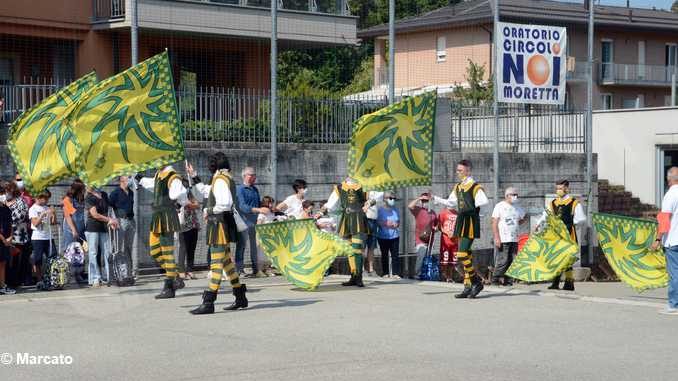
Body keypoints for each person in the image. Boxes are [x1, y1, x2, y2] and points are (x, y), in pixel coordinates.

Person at [187, 153, 248, 314]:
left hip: (218, 225)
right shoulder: (224, 178)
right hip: (221, 224)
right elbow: (205, 191)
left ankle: (209, 302)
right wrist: (193, 176)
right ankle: (240, 297)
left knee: (216, 265)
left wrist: (208, 210)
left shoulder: (220, 180)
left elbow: (225, 204)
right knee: (227, 264)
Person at [433, 159, 489, 299]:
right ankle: (467, 286)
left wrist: (474, 210)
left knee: (462, 254)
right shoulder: (458, 187)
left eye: (460, 170)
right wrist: (435, 198)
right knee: (467, 255)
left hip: (470, 220)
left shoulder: (475, 186)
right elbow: (451, 202)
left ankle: (476, 281)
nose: (458, 173)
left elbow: (484, 202)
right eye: (457, 170)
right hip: (461, 220)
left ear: (468, 171)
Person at [136, 165, 189, 299]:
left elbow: (180, 195)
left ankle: (169, 287)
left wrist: (178, 200)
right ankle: (175, 276)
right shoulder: (159, 175)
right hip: (158, 215)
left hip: (167, 216)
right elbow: (152, 185)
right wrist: (138, 177)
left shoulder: (173, 176)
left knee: (167, 253)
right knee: (155, 251)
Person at [320, 176, 373, 288]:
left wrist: (369, 204)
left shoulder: (364, 185)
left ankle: (359, 277)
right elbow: (331, 204)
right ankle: (353, 276)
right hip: (347, 219)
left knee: (357, 248)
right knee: (350, 249)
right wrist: (320, 213)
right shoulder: (339, 187)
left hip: (358, 218)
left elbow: (373, 199)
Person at [537, 179, 586, 291]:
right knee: (556, 258)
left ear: (566, 189)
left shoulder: (574, 203)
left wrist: (572, 222)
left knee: (567, 260)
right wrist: (538, 224)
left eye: (560, 188)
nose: (558, 190)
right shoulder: (553, 203)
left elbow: (582, 218)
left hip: (569, 235)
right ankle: (555, 282)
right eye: (557, 188)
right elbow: (546, 215)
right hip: (556, 235)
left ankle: (569, 283)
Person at [653, 167, 678, 315]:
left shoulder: (670, 195)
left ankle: (674, 304)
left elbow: (664, 219)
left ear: (669, 179)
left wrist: (657, 239)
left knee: (674, 273)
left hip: (674, 240)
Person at [236, 166, 268, 277]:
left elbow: (258, 204)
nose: (254, 177)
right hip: (243, 222)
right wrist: (259, 209)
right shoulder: (239, 189)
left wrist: (267, 207)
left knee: (254, 246)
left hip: (254, 222)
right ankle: (239, 269)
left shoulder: (255, 189)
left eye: (254, 175)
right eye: (251, 174)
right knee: (242, 245)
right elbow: (242, 206)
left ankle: (256, 269)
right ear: (244, 176)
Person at [491, 187, 527, 286]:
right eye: (513, 195)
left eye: (516, 195)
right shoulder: (500, 206)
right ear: (507, 196)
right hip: (503, 238)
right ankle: (495, 279)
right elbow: (494, 223)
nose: (516, 197)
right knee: (502, 260)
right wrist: (496, 237)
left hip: (514, 238)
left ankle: (507, 280)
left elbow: (524, 216)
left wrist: (518, 222)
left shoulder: (517, 207)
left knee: (512, 260)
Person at [84, 187, 117, 287]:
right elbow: (94, 214)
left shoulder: (104, 194)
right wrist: (109, 220)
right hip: (92, 228)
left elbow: (107, 211)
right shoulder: (89, 197)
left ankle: (109, 277)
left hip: (104, 228)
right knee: (93, 253)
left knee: (107, 252)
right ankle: (95, 278)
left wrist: (111, 222)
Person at [108, 176, 136, 276]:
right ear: (121, 180)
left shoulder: (131, 192)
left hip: (131, 221)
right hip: (120, 220)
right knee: (119, 248)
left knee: (129, 247)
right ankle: (119, 272)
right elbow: (109, 206)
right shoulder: (115, 193)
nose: (129, 179)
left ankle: (129, 272)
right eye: (127, 177)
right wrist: (112, 220)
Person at [4, 181, 29, 288]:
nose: (5, 193)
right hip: (5, 237)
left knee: (16, 261)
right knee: (6, 260)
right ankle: (7, 280)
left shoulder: (20, 202)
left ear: (12, 190)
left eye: (7, 191)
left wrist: (5, 221)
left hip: (18, 236)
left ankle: (15, 281)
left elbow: (19, 217)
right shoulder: (5, 201)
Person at [28, 190, 56, 284]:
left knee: (53, 258)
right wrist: (43, 214)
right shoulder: (33, 209)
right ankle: (39, 279)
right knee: (38, 259)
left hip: (48, 237)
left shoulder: (46, 207)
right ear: (39, 198)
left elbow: (53, 223)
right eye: (46, 198)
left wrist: (53, 214)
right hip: (38, 237)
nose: (47, 200)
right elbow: (35, 223)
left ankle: (52, 278)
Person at [62, 180, 87, 283]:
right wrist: (73, 230)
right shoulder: (67, 199)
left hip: (81, 226)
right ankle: (69, 274)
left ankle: (79, 274)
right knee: (70, 251)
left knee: (81, 251)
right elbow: (68, 217)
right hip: (70, 229)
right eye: (83, 189)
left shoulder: (80, 199)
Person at [408, 192, 437, 279]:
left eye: (427, 201)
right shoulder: (418, 210)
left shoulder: (433, 213)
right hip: (420, 239)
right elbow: (410, 206)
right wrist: (419, 198)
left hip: (430, 240)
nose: (425, 203)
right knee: (421, 255)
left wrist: (436, 229)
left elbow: (437, 225)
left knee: (426, 258)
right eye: (423, 201)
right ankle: (416, 274)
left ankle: (425, 274)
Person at [176, 181, 200, 280]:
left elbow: (197, 205)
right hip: (183, 225)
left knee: (192, 248)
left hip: (193, 224)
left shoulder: (189, 194)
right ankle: (181, 271)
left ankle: (190, 270)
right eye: (185, 186)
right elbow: (181, 205)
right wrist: (190, 204)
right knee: (183, 248)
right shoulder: (177, 195)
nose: (187, 188)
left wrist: (190, 204)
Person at [376, 191, 400, 279]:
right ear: (384, 199)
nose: (392, 200)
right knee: (384, 255)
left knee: (395, 255)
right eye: (390, 198)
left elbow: (398, 221)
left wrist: (396, 224)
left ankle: (395, 273)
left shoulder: (395, 210)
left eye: (393, 198)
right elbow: (377, 222)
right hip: (383, 236)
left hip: (395, 236)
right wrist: (386, 223)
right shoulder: (380, 210)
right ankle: (385, 273)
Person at [364, 191, 384, 277]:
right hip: (363, 219)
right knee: (361, 246)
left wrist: (369, 203)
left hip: (373, 219)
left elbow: (379, 197)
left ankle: (371, 269)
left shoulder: (377, 186)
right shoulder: (360, 185)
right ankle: (360, 269)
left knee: (371, 246)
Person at [437, 206, 459, 283]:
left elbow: (460, 226)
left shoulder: (458, 213)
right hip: (445, 241)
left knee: (453, 261)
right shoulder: (443, 213)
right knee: (445, 260)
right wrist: (447, 232)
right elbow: (439, 226)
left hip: (455, 241)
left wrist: (456, 234)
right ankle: (445, 276)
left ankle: (450, 277)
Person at [0, 188, 15, 295]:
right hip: (2, 239)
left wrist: (10, 237)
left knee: (3, 263)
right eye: (1, 193)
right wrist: (3, 239)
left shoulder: (6, 209)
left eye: (3, 193)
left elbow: (11, 224)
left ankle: (2, 286)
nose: (3, 195)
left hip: (6, 240)